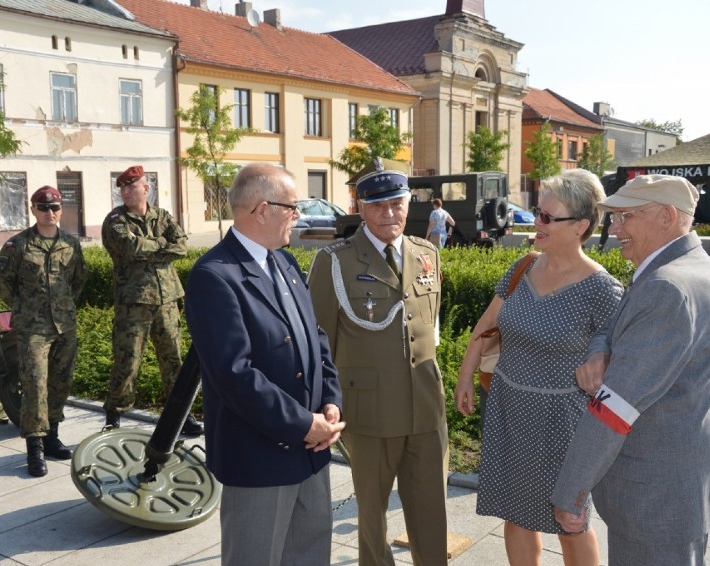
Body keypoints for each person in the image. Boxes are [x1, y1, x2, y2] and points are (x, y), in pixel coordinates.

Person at [552, 174, 710, 565]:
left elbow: (614, 409)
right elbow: (613, 324)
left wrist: (570, 493)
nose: (614, 228)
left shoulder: (667, 286)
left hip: (657, 499)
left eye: (625, 216)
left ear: (667, 217)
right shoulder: (683, 267)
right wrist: (600, 354)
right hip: (676, 484)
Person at [454, 169, 624, 566]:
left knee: (571, 522)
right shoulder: (524, 266)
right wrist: (465, 376)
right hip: (509, 410)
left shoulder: (603, 290)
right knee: (516, 515)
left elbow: (620, 361)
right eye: (537, 212)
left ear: (580, 226)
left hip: (563, 424)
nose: (536, 222)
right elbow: (485, 327)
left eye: (548, 217)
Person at [184, 162, 344, 566]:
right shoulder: (215, 276)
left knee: (309, 556)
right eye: (292, 207)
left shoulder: (286, 263)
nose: (299, 216)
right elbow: (233, 376)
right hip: (260, 457)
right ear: (261, 210)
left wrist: (330, 401)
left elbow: (316, 337)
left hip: (311, 451)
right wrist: (304, 424)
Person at [308, 159, 448, 566]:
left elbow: (429, 328)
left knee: (431, 507)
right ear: (360, 208)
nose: (390, 214)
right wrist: (323, 406)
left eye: (397, 203)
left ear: (409, 203)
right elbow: (320, 343)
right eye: (378, 206)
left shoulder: (427, 254)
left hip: (424, 405)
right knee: (372, 515)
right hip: (368, 409)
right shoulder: (336, 261)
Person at [0, 185, 87, 477]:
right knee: (34, 383)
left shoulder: (71, 244)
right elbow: (3, 285)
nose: (50, 213)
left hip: (64, 325)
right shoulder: (17, 245)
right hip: (32, 327)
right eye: (43, 207)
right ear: (33, 209)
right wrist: (25, 308)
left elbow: (78, 280)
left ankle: (52, 436)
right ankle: (34, 447)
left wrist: (62, 307)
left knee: (61, 381)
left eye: (55, 207)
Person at [101, 165, 202, 435]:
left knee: (173, 360)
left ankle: (181, 415)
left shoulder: (163, 216)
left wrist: (150, 245)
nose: (125, 191)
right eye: (121, 187)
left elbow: (181, 246)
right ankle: (115, 415)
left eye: (130, 186)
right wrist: (161, 245)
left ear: (146, 188)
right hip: (133, 302)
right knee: (127, 360)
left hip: (167, 299)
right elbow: (129, 247)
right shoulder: (115, 220)